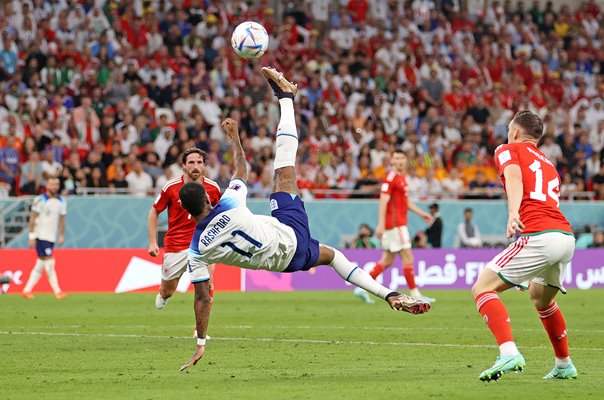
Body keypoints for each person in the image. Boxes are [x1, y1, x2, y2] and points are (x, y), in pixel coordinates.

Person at [178, 67, 431, 372]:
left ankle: (389, 295)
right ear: (208, 199)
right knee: (284, 167)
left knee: (332, 256)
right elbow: (240, 170)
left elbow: (203, 297)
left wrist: (201, 342)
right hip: (289, 234)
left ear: (187, 212)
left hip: (286, 264)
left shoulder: (196, 250)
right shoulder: (228, 204)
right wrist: (234, 140)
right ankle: (286, 98)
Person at [471, 110, 577, 381]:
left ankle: (508, 352)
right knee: (541, 299)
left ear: (516, 132)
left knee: (482, 288)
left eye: (509, 128)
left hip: (539, 235)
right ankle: (564, 364)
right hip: (565, 237)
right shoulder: (549, 164)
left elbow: (515, 178)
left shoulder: (507, 149)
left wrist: (513, 212)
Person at [354, 149, 435, 304]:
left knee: (387, 261)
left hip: (397, 225)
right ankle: (416, 294)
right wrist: (381, 225)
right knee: (408, 258)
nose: (399, 161)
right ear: (391, 161)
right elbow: (383, 201)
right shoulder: (391, 178)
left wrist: (421, 213)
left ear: (405, 161)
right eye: (396, 158)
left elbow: (405, 202)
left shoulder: (401, 178)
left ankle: (362, 288)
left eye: (401, 158)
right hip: (395, 226)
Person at [148, 148, 221, 310]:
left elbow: (221, 214)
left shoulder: (213, 188)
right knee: (168, 291)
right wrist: (153, 242)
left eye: (199, 162)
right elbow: (154, 211)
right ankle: (163, 294)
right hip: (176, 246)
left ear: (204, 166)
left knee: (206, 285)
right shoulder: (171, 187)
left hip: (203, 244)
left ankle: (200, 331)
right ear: (183, 166)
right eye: (191, 162)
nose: (196, 166)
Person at [22, 178, 67, 299]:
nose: (54, 186)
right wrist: (31, 236)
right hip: (41, 235)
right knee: (49, 262)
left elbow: (62, 219)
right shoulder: (40, 200)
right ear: (47, 185)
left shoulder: (61, 201)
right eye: (51, 184)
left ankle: (27, 290)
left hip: (52, 236)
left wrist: (61, 235)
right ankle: (57, 291)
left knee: (40, 264)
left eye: (56, 184)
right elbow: (32, 218)